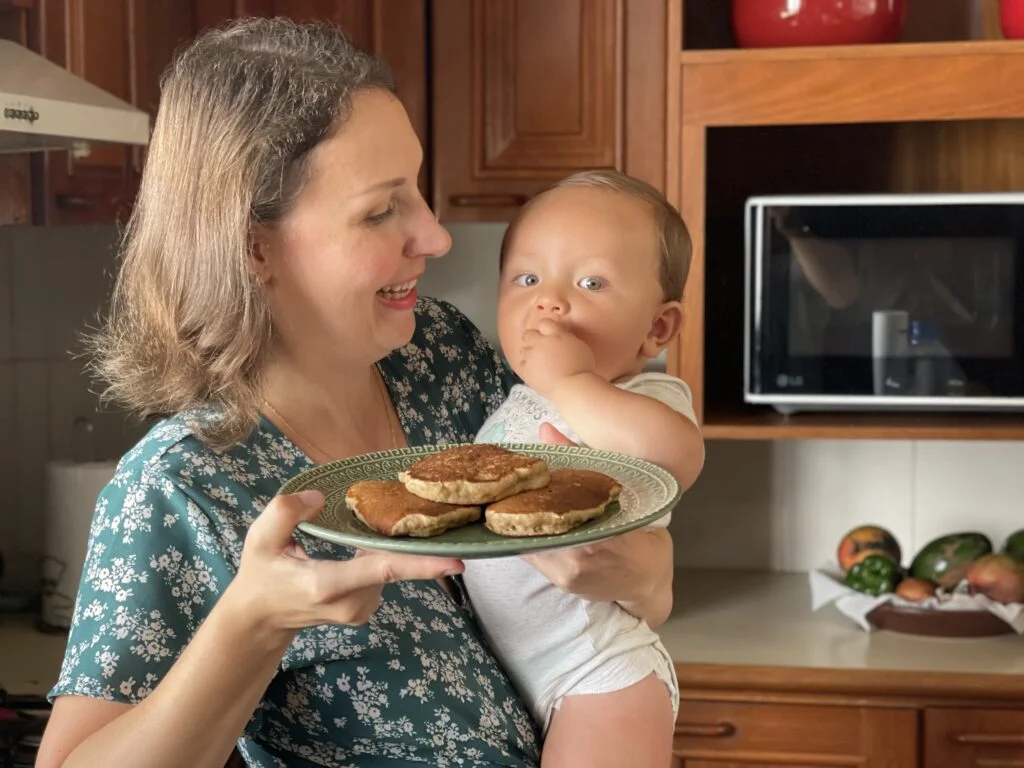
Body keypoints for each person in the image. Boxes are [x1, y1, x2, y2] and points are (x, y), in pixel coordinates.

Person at [35, 18, 678, 768]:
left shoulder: (442, 356)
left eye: (418, 191)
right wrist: (252, 626)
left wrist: (650, 574)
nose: (435, 236)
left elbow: (603, 576)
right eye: (382, 210)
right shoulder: (182, 487)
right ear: (253, 246)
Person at [467, 170, 705, 768]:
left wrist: (570, 381)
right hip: (519, 672)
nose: (549, 301)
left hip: (599, 670)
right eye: (526, 278)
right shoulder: (522, 398)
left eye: (592, 282)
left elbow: (676, 458)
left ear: (658, 328)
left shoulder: (642, 396)